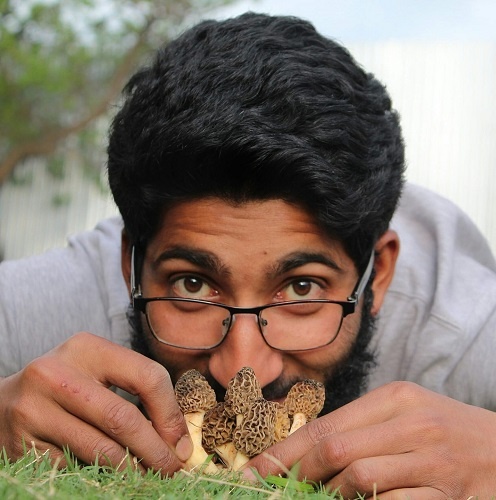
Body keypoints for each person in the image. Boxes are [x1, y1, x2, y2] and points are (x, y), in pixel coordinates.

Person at [1, 12, 495, 498]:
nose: (244, 371)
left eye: (302, 287)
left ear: (378, 275)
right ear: (130, 263)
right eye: (191, 284)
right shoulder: (72, 294)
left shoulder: (463, 325)